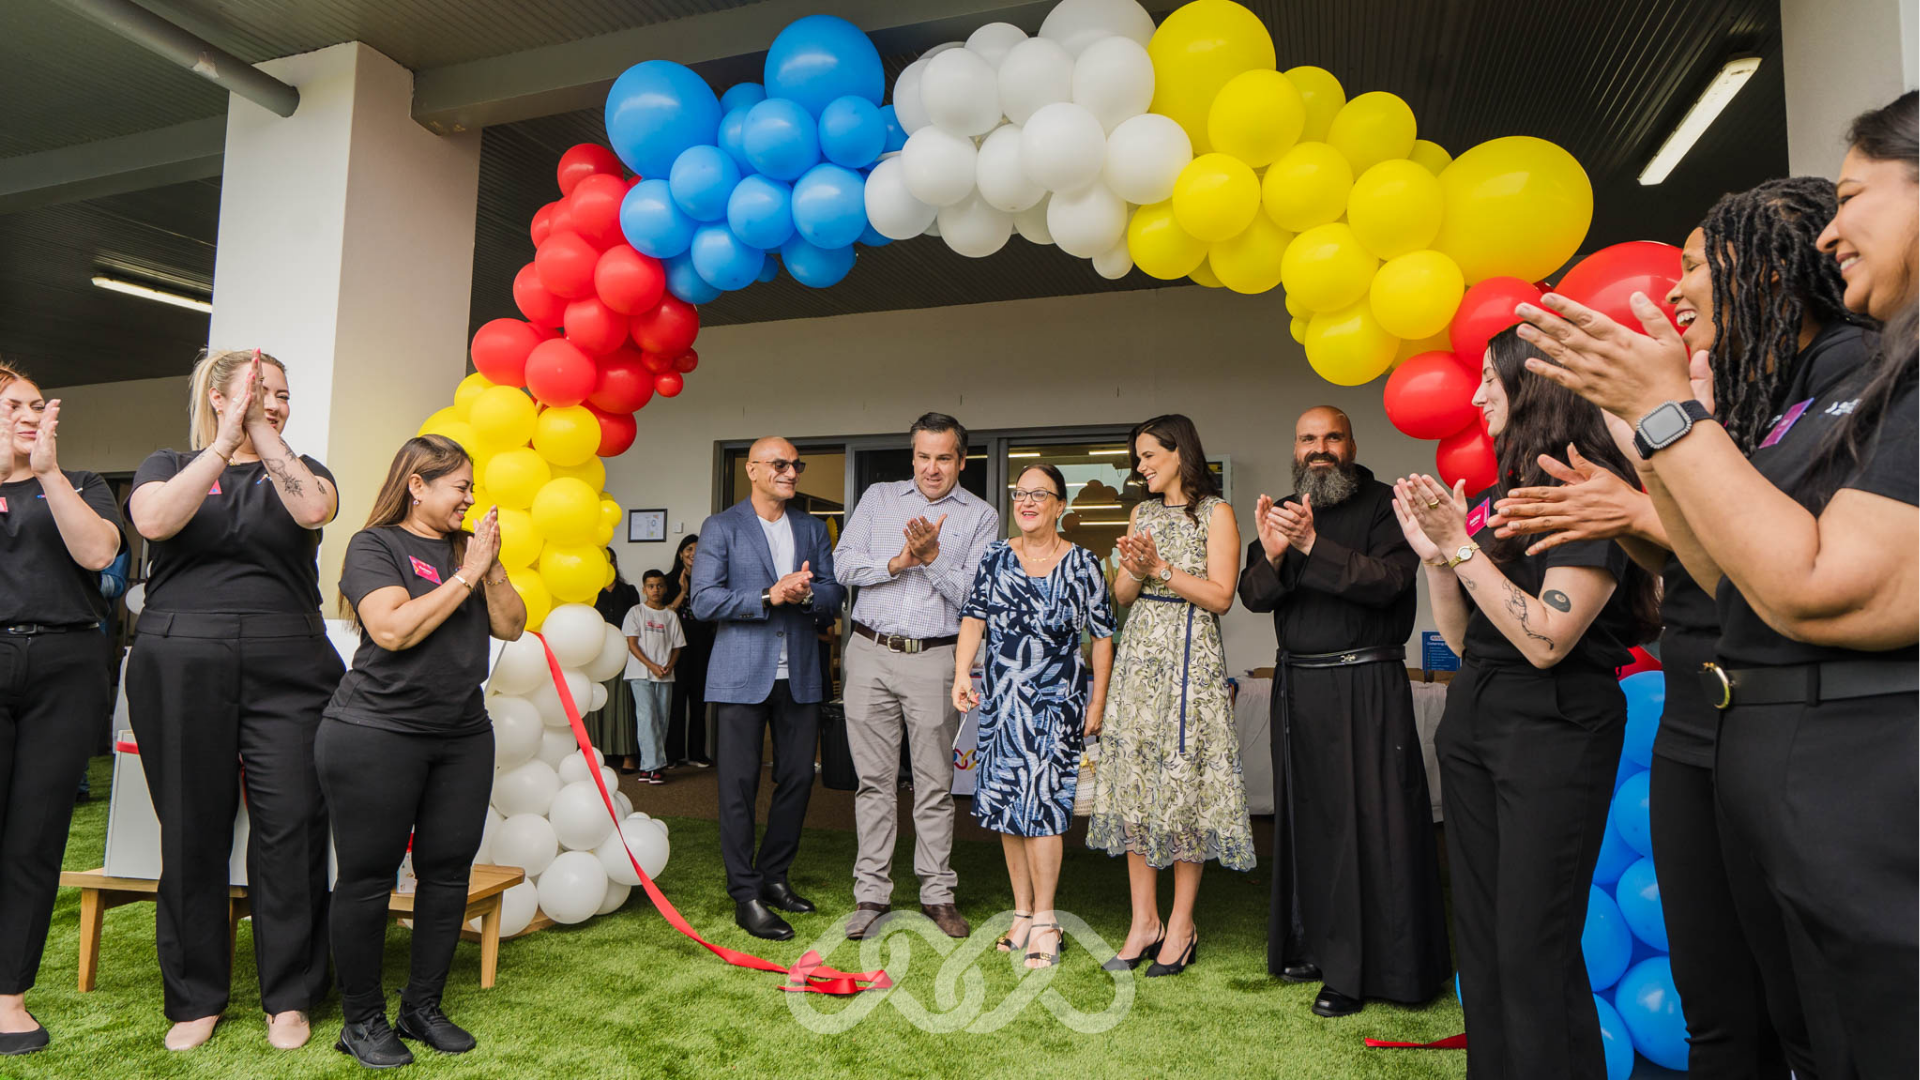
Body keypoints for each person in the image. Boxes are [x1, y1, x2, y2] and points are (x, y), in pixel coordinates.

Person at [1513, 91, 1918, 1078]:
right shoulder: (1788, 396)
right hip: (1766, 750)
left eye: (1856, 196)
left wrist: (1662, 423)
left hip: (1854, 775)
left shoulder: (1863, 369)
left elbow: (1816, 584)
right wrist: (1656, 444)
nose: (1834, 232)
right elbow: (1726, 573)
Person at [1392, 327, 1660, 1080]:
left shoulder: (1584, 493)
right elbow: (1471, 640)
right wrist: (1438, 561)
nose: (1475, 396)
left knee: (1530, 947)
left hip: (1556, 730)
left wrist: (1463, 550)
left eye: (1489, 379)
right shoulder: (1495, 498)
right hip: (1479, 719)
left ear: (1533, 386)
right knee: (1479, 947)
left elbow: (1547, 639)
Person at [125, 350, 343, 1051]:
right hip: (181, 658)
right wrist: (226, 441)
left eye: (282, 394)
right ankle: (195, 997)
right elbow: (154, 523)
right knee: (191, 828)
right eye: (259, 391)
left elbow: (314, 509)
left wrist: (263, 431)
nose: (274, 402)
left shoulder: (302, 469)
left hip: (291, 663)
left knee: (293, 826)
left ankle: (291, 995)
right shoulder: (167, 463)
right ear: (218, 396)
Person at [319, 435, 525, 1068]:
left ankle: (422, 1006)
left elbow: (511, 625)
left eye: (470, 486)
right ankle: (361, 1020)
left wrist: (488, 567)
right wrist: (466, 573)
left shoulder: (472, 550)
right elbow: (391, 628)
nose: (470, 497)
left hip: (461, 733)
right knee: (369, 878)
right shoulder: (374, 545)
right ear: (417, 485)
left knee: (446, 873)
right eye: (459, 485)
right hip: (376, 731)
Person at [1237, 406, 1450, 1018]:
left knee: (1371, 824)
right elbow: (1254, 596)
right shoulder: (1282, 508)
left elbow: (1389, 582)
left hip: (1367, 684)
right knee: (1308, 822)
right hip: (1298, 687)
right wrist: (1275, 552)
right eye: (1308, 438)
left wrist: (1310, 545)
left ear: (1351, 444)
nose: (1319, 448)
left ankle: (1367, 969)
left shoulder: (1387, 504)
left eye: (1332, 436)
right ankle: (1313, 947)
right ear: (1295, 447)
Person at [1084, 414, 1253, 977]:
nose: (1141, 466)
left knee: (1184, 788)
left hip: (1190, 661)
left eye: (1149, 455)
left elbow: (1222, 596)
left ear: (1180, 452)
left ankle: (1181, 925)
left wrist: (1160, 566)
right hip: (1140, 660)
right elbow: (1123, 595)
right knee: (1135, 784)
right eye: (1138, 458)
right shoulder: (1141, 512)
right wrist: (1133, 569)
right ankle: (1143, 924)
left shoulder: (1217, 513)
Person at [831, 413, 998, 941]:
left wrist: (930, 561)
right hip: (870, 651)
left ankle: (937, 893)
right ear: (912, 456)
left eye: (943, 457)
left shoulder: (981, 515)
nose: (932, 467)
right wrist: (900, 560)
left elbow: (977, 596)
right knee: (873, 782)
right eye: (923, 456)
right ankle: (871, 894)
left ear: (961, 460)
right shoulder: (879, 497)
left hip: (936, 659)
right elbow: (843, 565)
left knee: (934, 784)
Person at [0, 365, 122, 1056]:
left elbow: (99, 552)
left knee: (36, 836)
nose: (29, 412)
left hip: (65, 667)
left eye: (36, 404)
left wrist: (45, 472)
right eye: (13, 404)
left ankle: (8, 997)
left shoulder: (79, 484)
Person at [952, 463, 1115, 968]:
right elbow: (974, 619)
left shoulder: (1084, 563)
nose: (1025, 502)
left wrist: (1098, 701)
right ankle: (1021, 912)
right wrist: (962, 675)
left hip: (1054, 708)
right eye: (1019, 493)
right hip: (1002, 705)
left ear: (1059, 506)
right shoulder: (996, 557)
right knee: (1006, 808)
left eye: (1038, 494)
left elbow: (1103, 638)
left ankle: (1046, 919)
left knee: (1043, 810)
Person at [691, 437, 844, 942]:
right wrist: (767, 594)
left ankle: (775, 878)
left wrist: (803, 597)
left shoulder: (810, 526)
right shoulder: (722, 526)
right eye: (779, 464)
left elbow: (832, 593)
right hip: (739, 676)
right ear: (753, 470)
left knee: (798, 779)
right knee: (737, 787)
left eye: (795, 464)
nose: (791, 472)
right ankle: (746, 894)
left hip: (799, 673)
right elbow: (704, 601)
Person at [622, 570, 685, 785]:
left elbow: (677, 647)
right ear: (644, 589)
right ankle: (652, 767)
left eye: (659, 585)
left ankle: (652, 766)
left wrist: (668, 666)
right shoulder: (636, 612)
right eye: (650, 586)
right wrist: (652, 666)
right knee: (646, 718)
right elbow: (632, 644)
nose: (655, 589)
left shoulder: (670, 616)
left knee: (661, 720)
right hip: (640, 674)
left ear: (665, 588)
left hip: (665, 675)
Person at [660, 534, 714, 768]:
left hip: (703, 647)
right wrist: (683, 591)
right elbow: (664, 615)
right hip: (676, 651)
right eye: (688, 549)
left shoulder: (710, 578)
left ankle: (697, 753)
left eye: (698, 549)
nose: (693, 553)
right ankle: (673, 755)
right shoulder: (669, 580)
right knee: (676, 704)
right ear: (681, 553)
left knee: (700, 703)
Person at [589, 549, 640, 773]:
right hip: (594, 653)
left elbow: (635, 623)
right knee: (594, 702)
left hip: (622, 652)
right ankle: (596, 752)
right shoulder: (589, 589)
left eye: (611, 560)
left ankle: (628, 753)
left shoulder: (629, 591)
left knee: (623, 704)